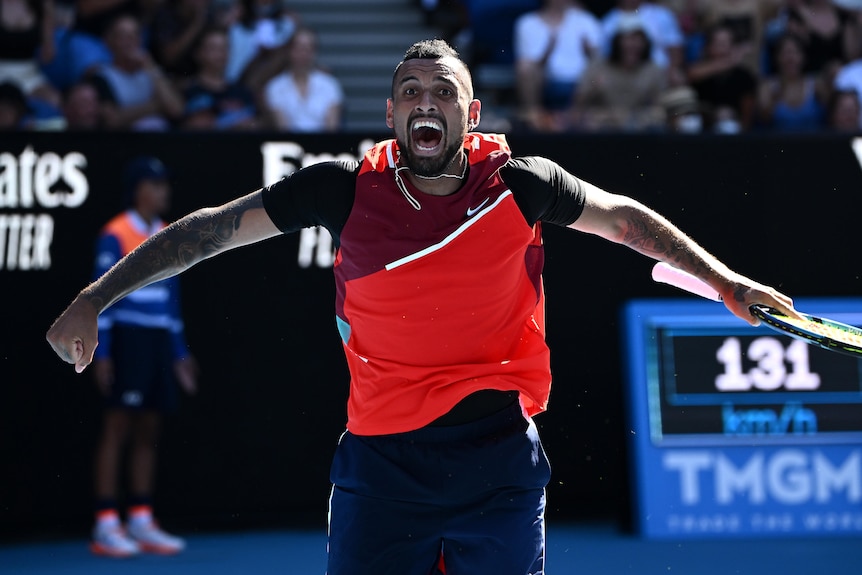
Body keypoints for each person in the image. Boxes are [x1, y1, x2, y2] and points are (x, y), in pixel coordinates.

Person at [47, 38, 799, 574]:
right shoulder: (341, 187)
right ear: (391, 111)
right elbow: (210, 230)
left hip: (499, 455)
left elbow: (626, 219)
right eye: (412, 91)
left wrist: (728, 282)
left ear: (470, 113)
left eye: (443, 92)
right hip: (380, 463)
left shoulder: (518, 182)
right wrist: (94, 295)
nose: (426, 102)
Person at [86, 156, 198, 558]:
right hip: (127, 341)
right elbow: (103, 302)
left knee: (149, 430)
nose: (164, 190)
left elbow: (171, 301)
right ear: (139, 190)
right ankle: (105, 523)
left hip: (156, 344)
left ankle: (140, 517)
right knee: (116, 429)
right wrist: (103, 353)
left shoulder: (169, 233)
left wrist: (179, 354)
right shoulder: (114, 233)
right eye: (157, 184)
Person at [513, 0, 602, 131]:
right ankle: (534, 118)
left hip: (581, 82)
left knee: (599, 70)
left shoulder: (585, 20)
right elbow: (528, 63)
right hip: (546, 80)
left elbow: (600, 58)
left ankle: (574, 117)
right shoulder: (527, 23)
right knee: (525, 68)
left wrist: (590, 52)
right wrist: (547, 53)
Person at [571, 13, 667, 131]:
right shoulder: (597, 67)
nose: (633, 44)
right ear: (616, 42)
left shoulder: (653, 70)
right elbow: (578, 105)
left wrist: (632, 118)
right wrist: (594, 87)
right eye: (627, 38)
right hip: (602, 129)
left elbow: (660, 110)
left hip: (638, 131)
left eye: (638, 39)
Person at [89, 13, 185, 130]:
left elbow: (176, 110)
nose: (130, 41)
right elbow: (113, 119)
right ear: (109, 41)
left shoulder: (151, 71)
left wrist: (151, 68)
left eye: (135, 35)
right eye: (123, 36)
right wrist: (156, 106)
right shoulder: (101, 76)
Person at [262, 27, 342, 132]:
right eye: (299, 48)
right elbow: (282, 128)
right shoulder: (275, 86)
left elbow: (332, 128)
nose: (303, 53)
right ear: (289, 50)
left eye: (309, 48)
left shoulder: (330, 84)